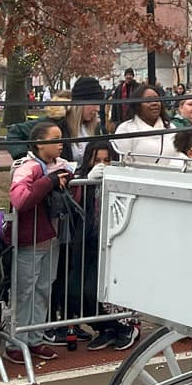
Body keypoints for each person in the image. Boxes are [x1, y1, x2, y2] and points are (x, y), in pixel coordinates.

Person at [7, 119, 72, 363]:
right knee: (24, 291)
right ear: (39, 143)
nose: (61, 145)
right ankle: (16, 340)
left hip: (51, 238)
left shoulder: (62, 166)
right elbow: (20, 199)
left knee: (43, 289)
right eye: (54, 140)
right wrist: (49, 181)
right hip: (29, 240)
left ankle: (35, 338)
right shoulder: (28, 167)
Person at [69, 138, 136, 351]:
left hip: (112, 242)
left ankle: (124, 326)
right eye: (97, 160)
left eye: (107, 160)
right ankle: (102, 328)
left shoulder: (122, 180)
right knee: (79, 290)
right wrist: (88, 182)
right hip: (87, 240)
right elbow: (74, 204)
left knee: (100, 289)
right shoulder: (81, 180)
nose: (102, 165)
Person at [111, 84, 174, 164]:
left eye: (157, 100)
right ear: (138, 105)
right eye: (148, 101)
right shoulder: (126, 129)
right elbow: (123, 162)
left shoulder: (171, 128)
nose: (154, 103)